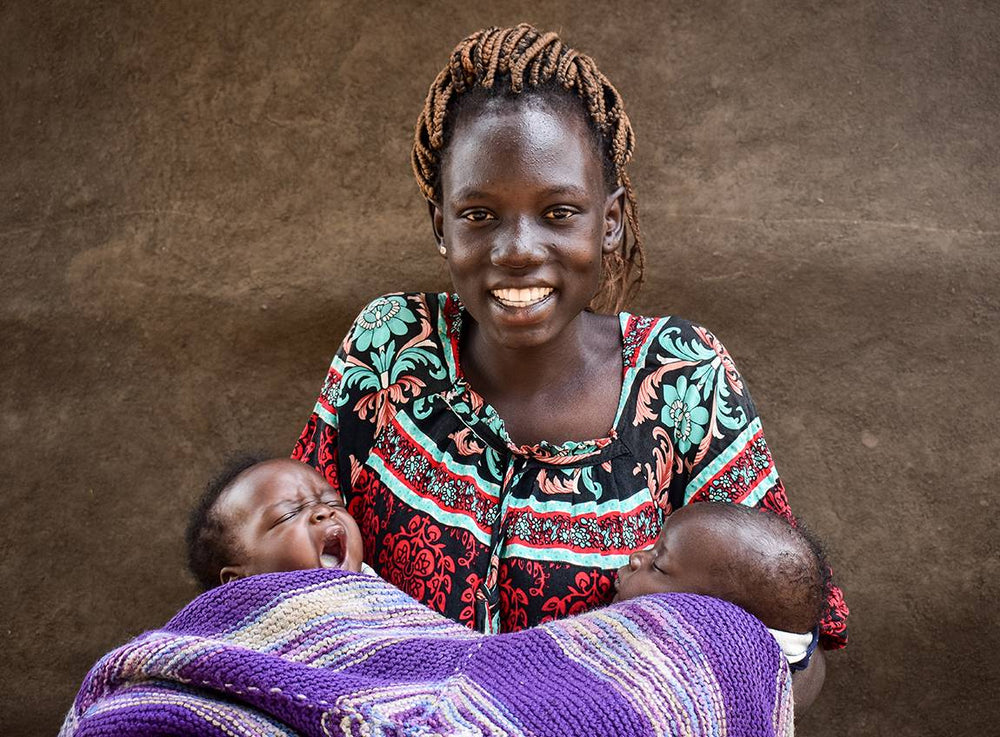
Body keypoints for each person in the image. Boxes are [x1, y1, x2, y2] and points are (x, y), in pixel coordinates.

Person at [292, 23, 846, 669]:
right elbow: (281, 563)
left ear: (608, 223)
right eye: (478, 215)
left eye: (559, 212)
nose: (519, 250)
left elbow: (791, 638)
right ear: (440, 224)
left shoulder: (683, 377)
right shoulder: (390, 347)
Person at [186, 456, 366, 589]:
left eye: (333, 503)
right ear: (239, 581)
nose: (323, 511)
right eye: (288, 515)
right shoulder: (237, 637)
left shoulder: (387, 602)